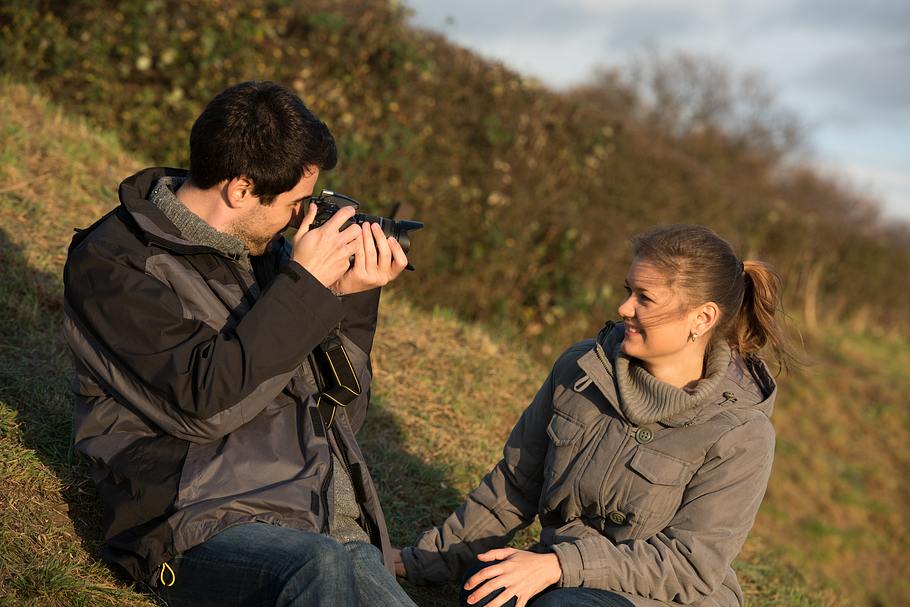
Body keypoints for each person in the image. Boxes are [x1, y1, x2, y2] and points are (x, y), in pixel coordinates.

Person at [63, 81, 418, 606]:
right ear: (240, 190)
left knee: (331, 561)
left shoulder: (272, 253)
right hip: (200, 524)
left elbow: (343, 412)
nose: (303, 218)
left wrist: (348, 297)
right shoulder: (114, 265)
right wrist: (306, 290)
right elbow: (207, 402)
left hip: (328, 526)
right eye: (297, 204)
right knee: (316, 567)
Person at [396, 224, 791, 607]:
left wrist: (558, 566)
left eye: (645, 298)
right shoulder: (580, 369)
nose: (623, 308)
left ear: (702, 318)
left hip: (662, 598)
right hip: (562, 581)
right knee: (484, 592)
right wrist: (422, 561)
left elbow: (689, 566)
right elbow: (515, 485)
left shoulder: (741, 432)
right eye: (627, 291)